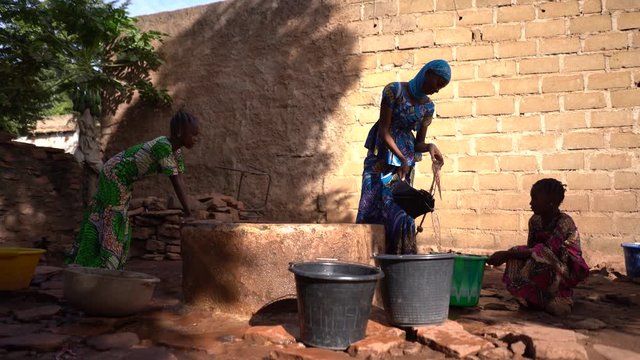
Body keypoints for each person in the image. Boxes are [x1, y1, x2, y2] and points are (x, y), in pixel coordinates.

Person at [66, 110, 200, 269]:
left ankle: (103, 264)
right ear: (179, 132)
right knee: (113, 217)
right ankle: (103, 266)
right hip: (114, 175)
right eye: (193, 134)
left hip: (123, 179)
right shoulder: (163, 146)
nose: (196, 139)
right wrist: (189, 214)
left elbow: (180, 180)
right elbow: (176, 182)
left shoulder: (175, 152)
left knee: (117, 219)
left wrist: (188, 211)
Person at [356, 60, 450, 254]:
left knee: (398, 205)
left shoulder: (428, 108)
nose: (437, 90)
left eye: (441, 87)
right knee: (372, 203)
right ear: (428, 73)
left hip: (405, 164)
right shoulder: (393, 91)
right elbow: (384, 130)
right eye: (437, 83)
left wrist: (430, 147)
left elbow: (418, 143)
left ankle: (394, 257)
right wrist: (403, 159)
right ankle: (366, 257)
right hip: (382, 156)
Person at [487, 178, 589, 316]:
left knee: (527, 253)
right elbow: (531, 250)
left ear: (551, 203)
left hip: (566, 270)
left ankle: (561, 297)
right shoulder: (535, 221)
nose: (530, 203)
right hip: (545, 264)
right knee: (519, 255)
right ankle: (534, 297)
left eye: (535, 199)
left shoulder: (564, 222)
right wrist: (510, 256)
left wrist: (506, 254)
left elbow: (545, 251)